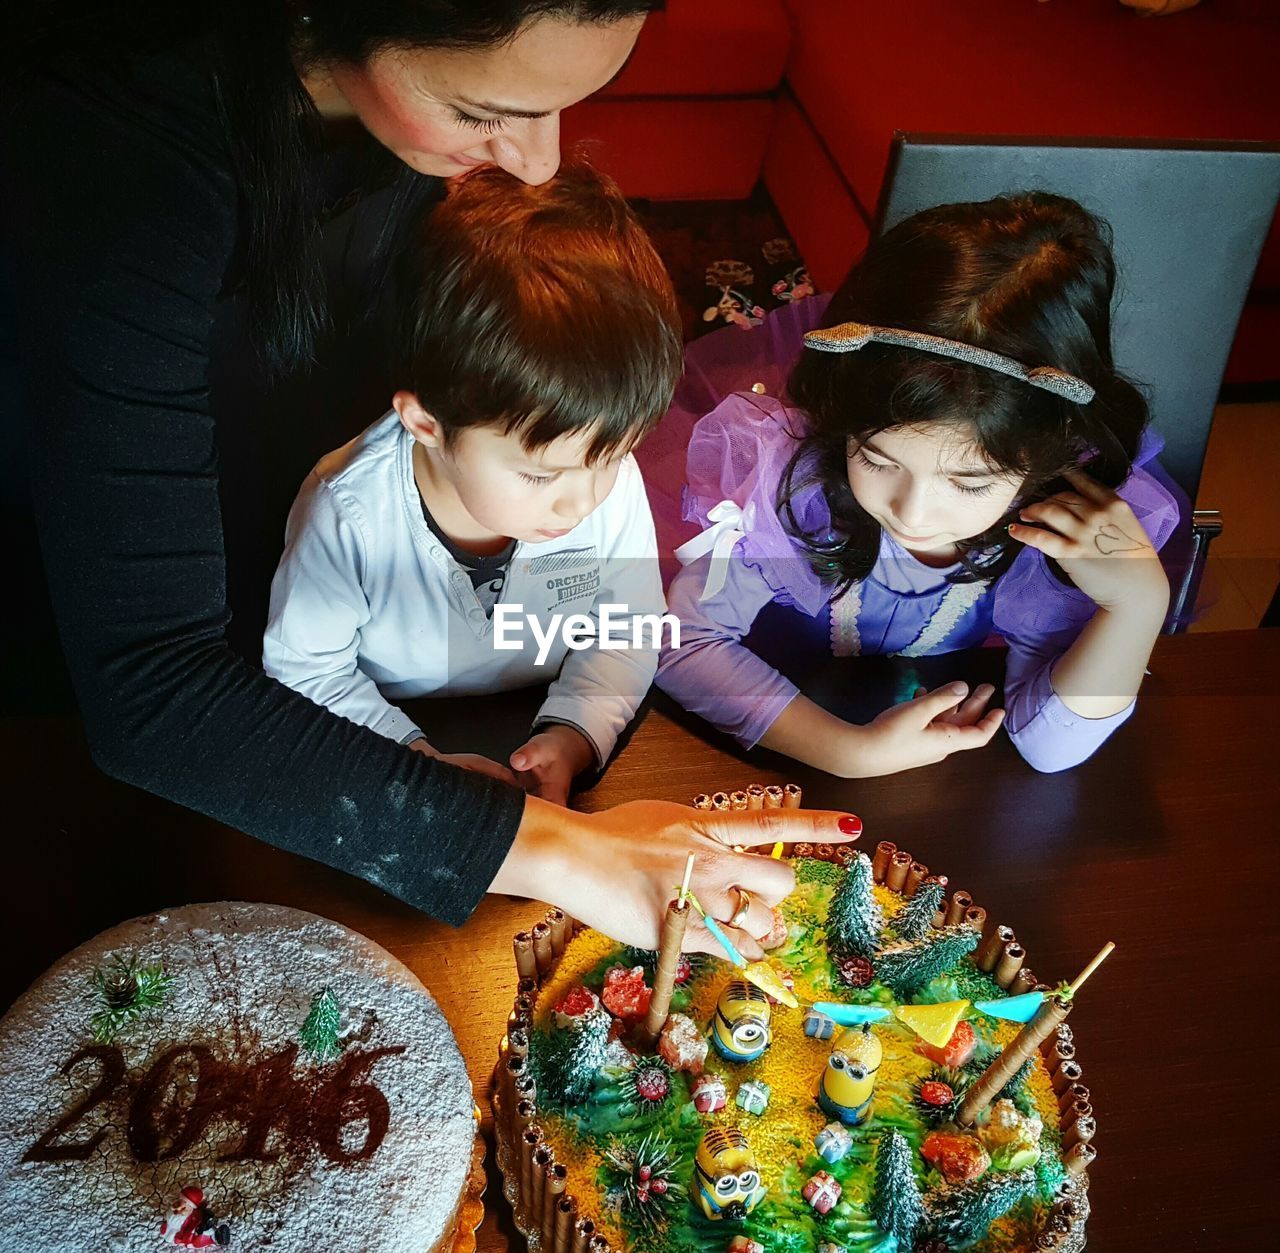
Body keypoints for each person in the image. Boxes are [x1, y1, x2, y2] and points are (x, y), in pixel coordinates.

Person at [3, 1, 858, 957]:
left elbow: (615, 626)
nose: (537, 163)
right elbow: (153, 689)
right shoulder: (121, 167)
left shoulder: (422, 185)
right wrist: (564, 854)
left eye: (569, 103)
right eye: (483, 109)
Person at [656, 193, 1184, 776]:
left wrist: (1138, 607)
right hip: (775, 733)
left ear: (1044, 458)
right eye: (879, 460)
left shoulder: (1053, 527)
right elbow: (680, 640)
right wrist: (845, 751)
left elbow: (1049, 749)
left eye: (971, 483)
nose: (913, 513)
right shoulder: (795, 485)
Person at [264, 161, 678, 805]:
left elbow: (627, 628)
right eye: (540, 474)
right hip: (392, 729)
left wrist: (575, 732)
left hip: (537, 712)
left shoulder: (599, 473)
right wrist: (411, 759)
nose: (583, 499)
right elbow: (307, 670)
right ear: (426, 423)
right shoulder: (348, 511)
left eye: (614, 456)